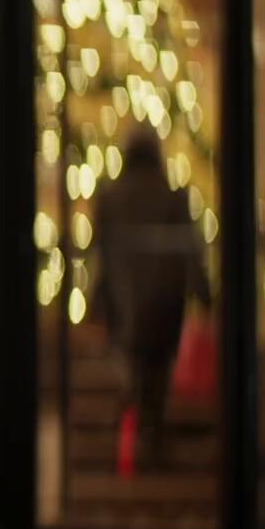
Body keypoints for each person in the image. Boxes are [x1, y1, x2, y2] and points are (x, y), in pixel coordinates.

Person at [91, 127, 212, 470]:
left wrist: (99, 300)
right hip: (165, 303)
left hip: (125, 303)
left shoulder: (110, 197)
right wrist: (203, 293)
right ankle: (152, 436)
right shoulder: (173, 197)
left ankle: (133, 436)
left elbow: (103, 254)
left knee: (133, 367)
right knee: (157, 373)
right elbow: (189, 250)